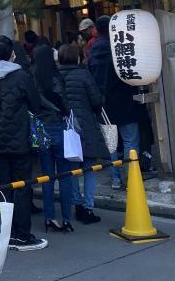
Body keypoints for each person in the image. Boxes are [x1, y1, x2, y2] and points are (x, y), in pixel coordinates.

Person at [0, 38, 48, 251]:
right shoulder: (21, 76)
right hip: (19, 139)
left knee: (2, 186)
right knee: (21, 186)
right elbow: (35, 103)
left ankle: (3, 232)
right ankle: (22, 234)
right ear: (12, 54)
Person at [56, 44, 107, 224]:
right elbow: (96, 100)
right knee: (89, 168)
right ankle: (88, 207)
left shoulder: (56, 75)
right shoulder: (84, 74)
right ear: (78, 58)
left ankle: (76, 203)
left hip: (66, 127)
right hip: (85, 125)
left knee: (71, 168)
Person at [88, 16, 139, 190]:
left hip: (104, 105)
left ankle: (116, 179)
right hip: (125, 101)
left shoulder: (92, 50)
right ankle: (131, 178)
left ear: (96, 29)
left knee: (111, 145)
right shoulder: (119, 47)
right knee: (130, 141)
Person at [31, 43, 75, 233]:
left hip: (40, 127)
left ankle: (49, 218)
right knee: (65, 176)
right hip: (58, 126)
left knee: (47, 176)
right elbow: (64, 103)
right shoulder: (56, 76)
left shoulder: (31, 76)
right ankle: (66, 219)